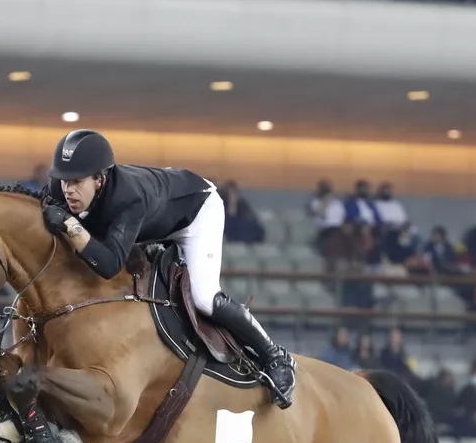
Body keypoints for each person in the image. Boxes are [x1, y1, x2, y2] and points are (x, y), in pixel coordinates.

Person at [38, 129, 296, 408]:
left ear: (99, 179)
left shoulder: (127, 198)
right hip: (156, 212)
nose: (68, 189)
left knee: (205, 298)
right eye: (64, 180)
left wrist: (70, 225)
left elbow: (110, 265)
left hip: (195, 212)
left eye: (77, 181)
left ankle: (275, 356)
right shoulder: (61, 187)